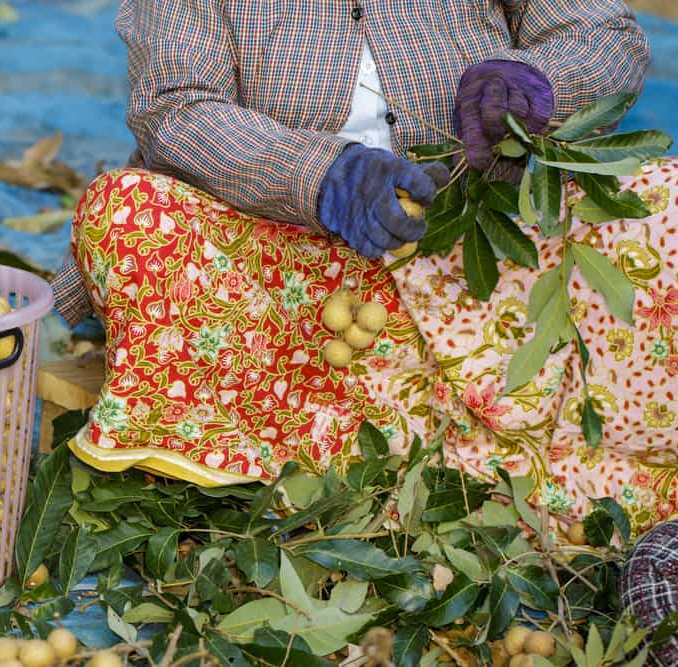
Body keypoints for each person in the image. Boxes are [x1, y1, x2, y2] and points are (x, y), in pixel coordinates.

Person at [50, 0, 676, 653]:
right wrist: (320, 175)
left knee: (668, 208)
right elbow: (174, 106)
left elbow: (600, 31)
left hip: (481, 242)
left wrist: (535, 80)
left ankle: (442, 435)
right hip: (287, 270)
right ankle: (425, 441)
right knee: (127, 216)